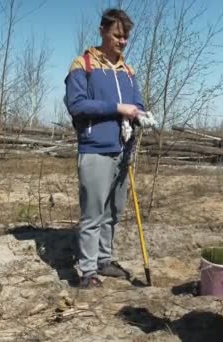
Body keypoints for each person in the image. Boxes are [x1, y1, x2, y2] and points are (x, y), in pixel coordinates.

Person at [64, 8, 144, 289]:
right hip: (95, 148)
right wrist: (116, 108)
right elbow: (77, 105)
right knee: (93, 213)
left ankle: (103, 260)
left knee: (113, 211)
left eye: (126, 37)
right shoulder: (83, 65)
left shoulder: (128, 71)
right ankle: (87, 272)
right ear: (102, 30)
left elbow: (138, 103)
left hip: (123, 150)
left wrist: (140, 115)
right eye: (117, 35)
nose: (122, 41)